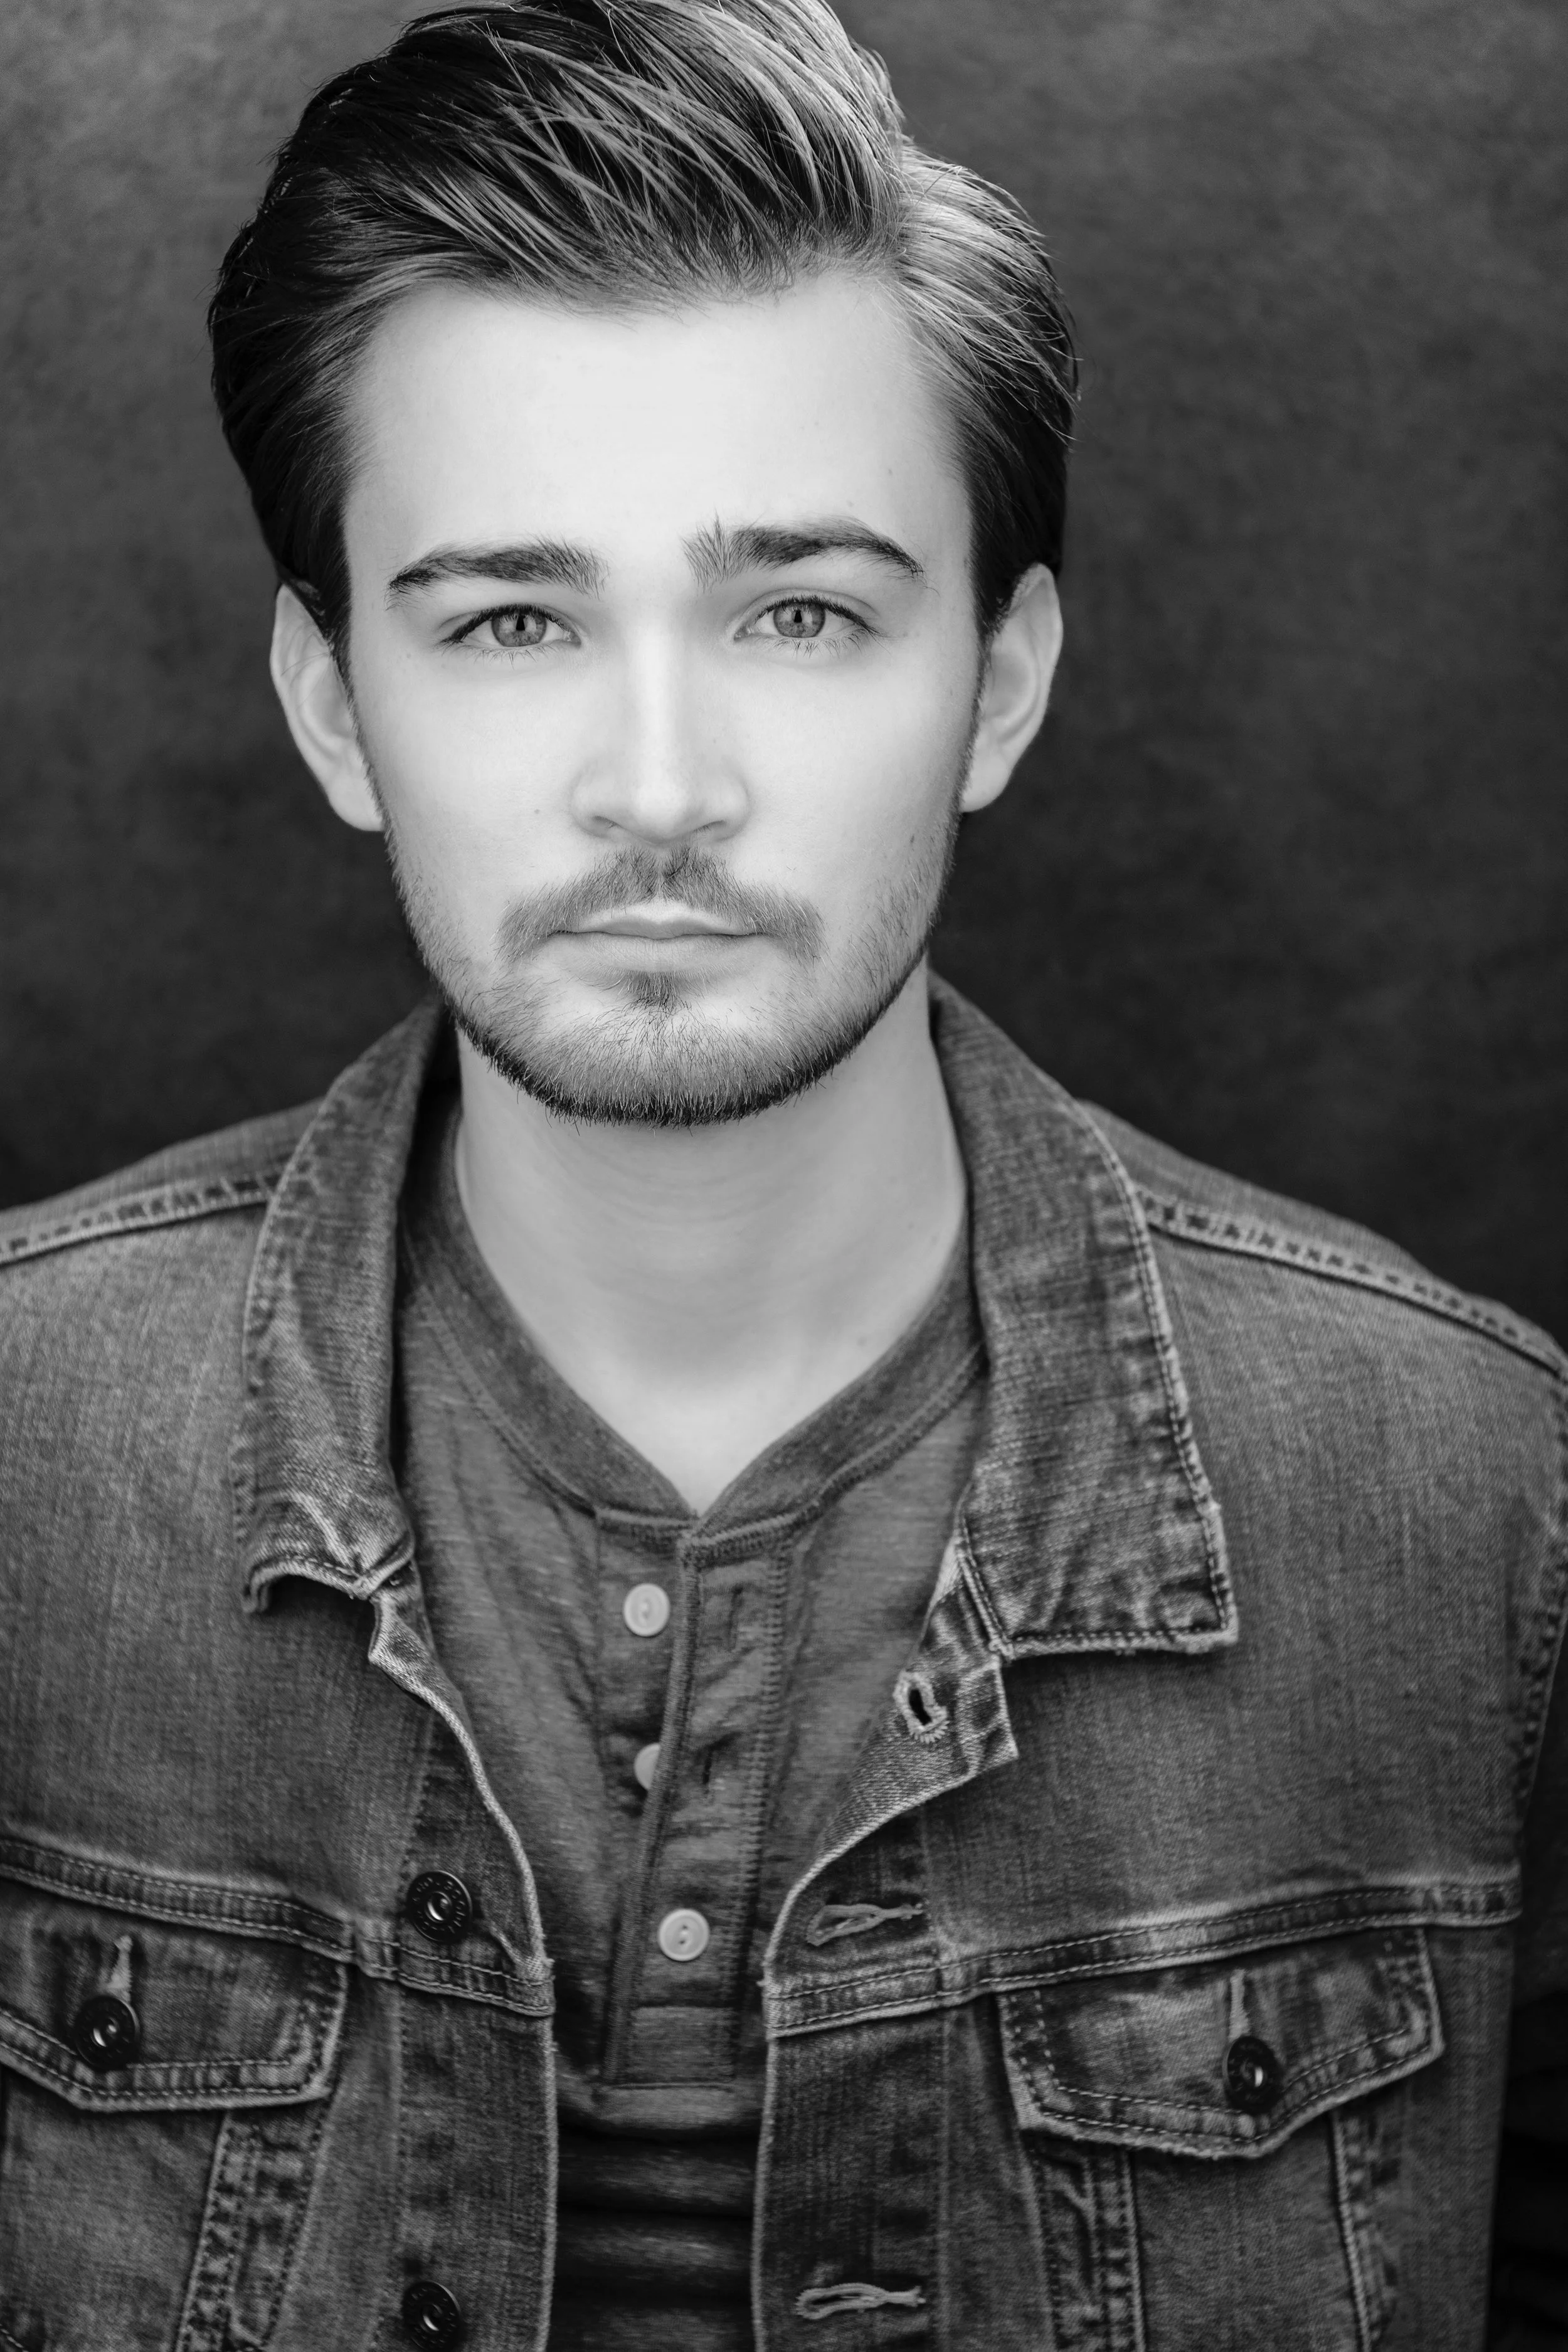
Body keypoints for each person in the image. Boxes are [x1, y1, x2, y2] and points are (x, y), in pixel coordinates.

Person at [0, 0, 1561, 2343]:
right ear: (335, 704)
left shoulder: (1479, 1501)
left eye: (799, 613)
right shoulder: (20, 1454)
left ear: (1000, 685)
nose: (661, 782)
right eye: (512, 618)